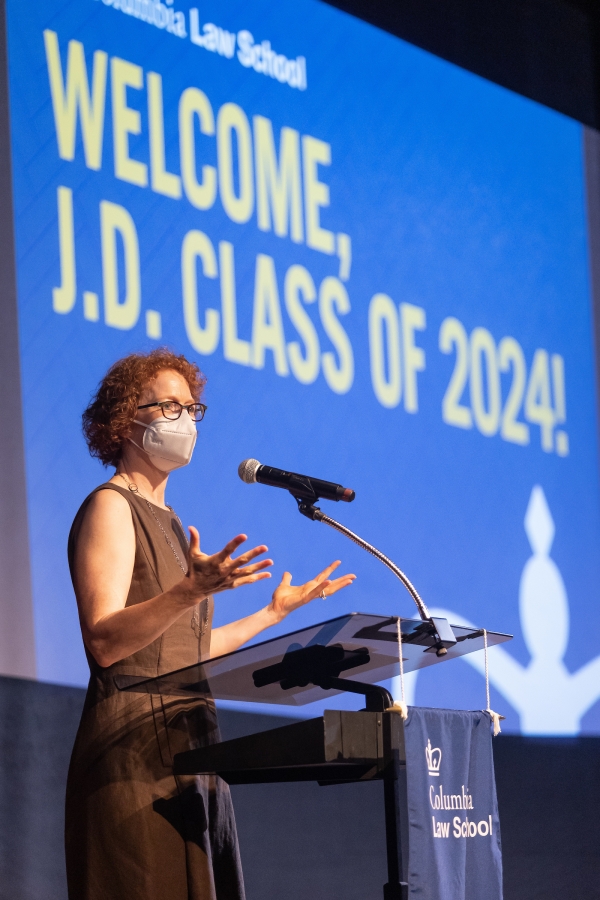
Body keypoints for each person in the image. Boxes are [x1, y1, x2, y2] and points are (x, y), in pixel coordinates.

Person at [65, 348, 355, 900]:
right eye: (168, 406)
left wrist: (275, 613)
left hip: (192, 742)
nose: (184, 420)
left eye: (191, 408)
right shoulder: (111, 507)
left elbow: (186, 649)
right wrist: (189, 591)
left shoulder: (172, 522)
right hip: (131, 753)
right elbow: (104, 641)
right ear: (126, 419)